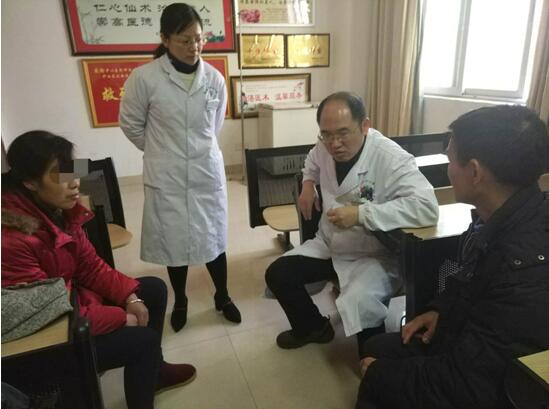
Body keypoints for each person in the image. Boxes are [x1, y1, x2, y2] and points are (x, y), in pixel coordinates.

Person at [356, 105, 549, 409]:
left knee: (377, 376)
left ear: (474, 172)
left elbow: (470, 384)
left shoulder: (522, 270)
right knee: (377, 347)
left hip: (498, 385)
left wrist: (380, 375)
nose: (448, 170)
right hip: (473, 341)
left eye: (450, 159)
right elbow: (470, 278)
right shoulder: (503, 214)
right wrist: (440, 310)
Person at [1, 131, 196, 409]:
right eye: (59, 175)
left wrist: (130, 297)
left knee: (152, 289)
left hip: (69, 302)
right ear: (30, 182)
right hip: (46, 342)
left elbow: (90, 266)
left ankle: (155, 372)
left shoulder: (58, 210)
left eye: (73, 170)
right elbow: (48, 315)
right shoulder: (11, 239)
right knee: (143, 341)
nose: (74, 182)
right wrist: (120, 317)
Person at [265, 91, 439, 353]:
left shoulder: (390, 157)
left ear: (365, 125)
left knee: (361, 302)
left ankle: (374, 361)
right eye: (326, 134)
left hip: (373, 254)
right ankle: (313, 328)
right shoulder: (324, 147)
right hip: (330, 244)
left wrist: (361, 214)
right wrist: (308, 184)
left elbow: (426, 207)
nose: (334, 144)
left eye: (343, 133)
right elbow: (312, 159)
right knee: (278, 273)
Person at [119, 3, 241, 332]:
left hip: (205, 172)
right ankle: (182, 300)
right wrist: (162, 151)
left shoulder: (214, 78)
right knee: (175, 243)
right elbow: (131, 124)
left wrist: (192, 152)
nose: (194, 47)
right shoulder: (145, 78)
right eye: (184, 40)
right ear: (165, 39)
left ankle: (223, 296)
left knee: (213, 239)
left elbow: (213, 127)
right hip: (167, 175)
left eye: (199, 39)